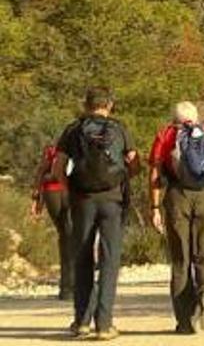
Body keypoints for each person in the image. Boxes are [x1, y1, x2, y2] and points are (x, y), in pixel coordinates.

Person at [53, 87, 140, 341]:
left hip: (82, 200)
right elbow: (134, 163)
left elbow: (58, 166)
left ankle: (81, 322)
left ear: (86, 105)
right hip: (112, 200)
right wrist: (121, 178)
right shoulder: (119, 128)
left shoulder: (73, 129)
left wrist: (70, 189)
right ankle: (104, 323)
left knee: (82, 259)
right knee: (110, 260)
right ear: (109, 105)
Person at [147, 101, 204, 334]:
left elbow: (155, 173)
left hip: (178, 197)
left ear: (174, 118)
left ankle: (185, 322)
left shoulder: (166, 135)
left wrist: (155, 207)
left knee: (181, 259)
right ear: (196, 117)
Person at [30, 144, 73, 301]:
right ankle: (74, 284)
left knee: (64, 236)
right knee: (73, 235)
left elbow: (41, 171)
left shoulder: (52, 148)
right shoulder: (82, 143)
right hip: (73, 192)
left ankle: (66, 287)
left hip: (51, 192)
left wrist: (36, 201)